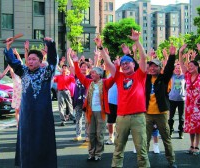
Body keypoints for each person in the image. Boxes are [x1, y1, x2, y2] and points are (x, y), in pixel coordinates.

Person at [97, 29, 150, 168]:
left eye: (128, 62)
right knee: (118, 150)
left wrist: (137, 41)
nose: (125, 65)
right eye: (123, 63)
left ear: (134, 64)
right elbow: (108, 63)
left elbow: (144, 58)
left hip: (138, 117)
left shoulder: (140, 75)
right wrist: (101, 48)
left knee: (142, 151)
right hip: (121, 118)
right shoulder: (119, 77)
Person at [4, 37, 57, 168]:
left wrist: (50, 44)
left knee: (42, 140)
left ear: (40, 61)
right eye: (29, 59)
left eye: (34, 59)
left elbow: (53, 60)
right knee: (26, 141)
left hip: (42, 114)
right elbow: (13, 62)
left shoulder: (46, 72)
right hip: (26, 114)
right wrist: (8, 48)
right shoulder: (23, 71)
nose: (30, 61)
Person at [71, 52, 115, 161]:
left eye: (94, 73)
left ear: (99, 75)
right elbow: (79, 75)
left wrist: (116, 66)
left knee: (99, 134)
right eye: (92, 73)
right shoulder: (88, 82)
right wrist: (76, 62)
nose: (91, 74)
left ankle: (98, 154)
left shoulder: (105, 83)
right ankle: (91, 153)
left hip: (101, 113)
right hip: (90, 113)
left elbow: (115, 77)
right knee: (91, 134)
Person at [145, 43, 177, 168]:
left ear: (160, 68)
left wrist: (172, 55)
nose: (152, 69)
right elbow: (139, 66)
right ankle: (144, 161)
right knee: (145, 140)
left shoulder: (163, 78)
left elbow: (169, 68)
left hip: (161, 113)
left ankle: (171, 161)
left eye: (155, 67)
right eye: (150, 66)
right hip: (147, 113)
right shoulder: (146, 79)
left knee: (166, 138)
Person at [178, 43, 200, 156]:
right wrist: (180, 52)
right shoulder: (186, 75)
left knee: (198, 127)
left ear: (197, 67)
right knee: (190, 127)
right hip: (189, 107)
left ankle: (197, 146)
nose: (189, 67)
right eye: (189, 66)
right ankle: (191, 145)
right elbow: (181, 63)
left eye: (192, 66)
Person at [66, 48, 91, 142]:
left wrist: (97, 57)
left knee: (87, 119)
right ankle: (78, 134)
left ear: (89, 69)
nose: (84, 68)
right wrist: (68, 56)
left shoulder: (90, 77)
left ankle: (87, 135)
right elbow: (73, 66)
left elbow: (96, 66)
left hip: (87, 101)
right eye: (82, 67)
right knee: (78, 118)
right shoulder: (77, 75)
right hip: (78, 100)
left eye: (86, 67)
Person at [168, 63, 186, 139]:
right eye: (176, 68)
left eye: (179, 68)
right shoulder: (172, 76)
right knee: (171, 117)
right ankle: (170, 130)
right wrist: (166, 57)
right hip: (172, 99)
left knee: (181, 117)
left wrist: (188, 57)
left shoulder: (184, 76)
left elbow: (186, 69)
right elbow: (168, 66)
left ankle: (181, 132)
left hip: (181, 100)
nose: (178, 69)